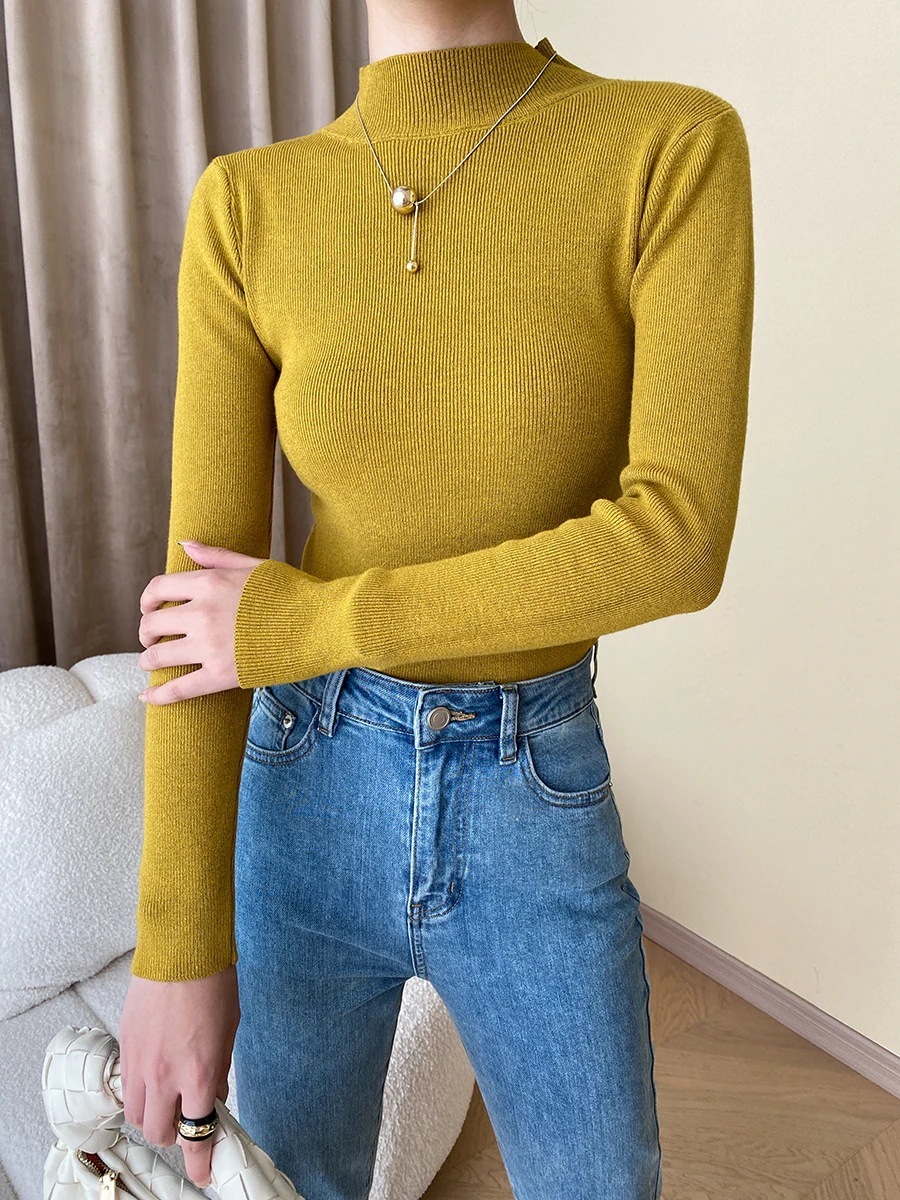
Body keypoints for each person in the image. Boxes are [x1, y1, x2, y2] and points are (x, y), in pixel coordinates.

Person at [119, 0, 754, 1197]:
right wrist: (176, 948)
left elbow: (675, 540)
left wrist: (321, 618)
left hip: (533, 791)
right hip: (304, 784)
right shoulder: (248, 202)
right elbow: (196, 611)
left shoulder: (668, 145)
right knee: (292, 1184)